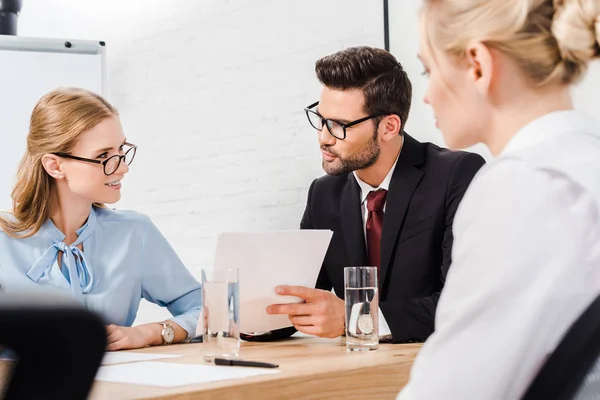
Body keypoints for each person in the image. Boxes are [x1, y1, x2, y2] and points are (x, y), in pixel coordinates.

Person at [397, 0, 600, 398]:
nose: (426, 95)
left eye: (429, 69)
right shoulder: (584, 166)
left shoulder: (521, 187)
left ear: (477, 65)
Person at [261, 46, 485, 343]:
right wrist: (251, 316)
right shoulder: (323, 193)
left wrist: (354, 319)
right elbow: (302, 299)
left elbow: (464, 301)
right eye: (321, 119)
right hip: (354, 372)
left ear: (389, 127)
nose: (324, 137)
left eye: (340, 125)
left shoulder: (457, 175)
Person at [0, 88, 202, 351]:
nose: (123, 167)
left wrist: (152, 333)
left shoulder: (133, 233)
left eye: (121, 150)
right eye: (104, 156)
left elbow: (208, 308)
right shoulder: (5, 239)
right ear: (54, 166)